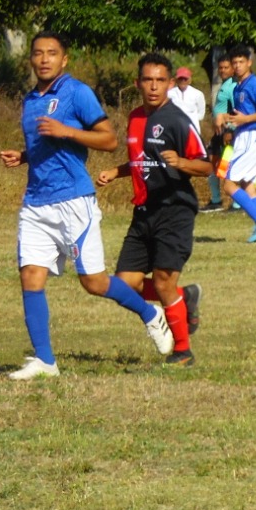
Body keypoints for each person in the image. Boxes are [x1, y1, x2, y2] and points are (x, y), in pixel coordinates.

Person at [0, 32, 174, 380]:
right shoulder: (31, 99)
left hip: (74, 202)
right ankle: (45, 361)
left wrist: (67, 131)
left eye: (52, 53)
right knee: (30, 275)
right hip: (36, 203)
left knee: (93, 282)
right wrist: (25, 155)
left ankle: (151, 314)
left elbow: (108, 140)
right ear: (31, 59)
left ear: (65, 59)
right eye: (38, 54)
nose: (44, 59)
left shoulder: (77, 93)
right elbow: (46, 145)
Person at [96, 53, 211, 366]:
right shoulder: (134, 117)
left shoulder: (177, 120)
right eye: (148, 80)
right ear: (138, 83)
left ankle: (183, 351)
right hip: (143, 211)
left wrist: (182, 162)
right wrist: (116, 172)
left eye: (161, 80)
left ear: (171, 84)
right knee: (125, 283)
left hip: (175, 210)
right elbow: (141, 161)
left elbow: (207, 166)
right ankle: (183, 297)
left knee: (162, 281)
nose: (154, 87)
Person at [218, 45, 256, 243]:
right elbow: (241, 115)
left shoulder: (255, 84)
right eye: (234, 63)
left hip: (252, 137)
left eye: (241, 62)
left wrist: (245, 120)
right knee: (248, 186)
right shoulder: (239, 87)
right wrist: (228, 119)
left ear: (249, 63)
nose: (237, 66)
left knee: (228, 185)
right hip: (244, 137)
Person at [201, 54, 236, 212]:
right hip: (219, 133)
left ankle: (237, 203)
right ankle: (216, 200)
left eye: (226, 67)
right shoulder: (224, 85)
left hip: (229, 132)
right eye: (220, 68)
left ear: (232, 68)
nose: (222, 70)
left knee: (228, 167)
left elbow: (236, 111)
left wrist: (229, 130)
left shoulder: (234, 86)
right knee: (211, 162)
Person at [167, 66, 206, 134]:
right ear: (176, 79)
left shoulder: (198, 94)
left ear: (190, 80)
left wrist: (191, 118)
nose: (183, 81)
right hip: (174, 129)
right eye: (180, 78)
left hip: (193, 130)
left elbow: (201, 114)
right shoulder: (169, 94)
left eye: (185, 79)